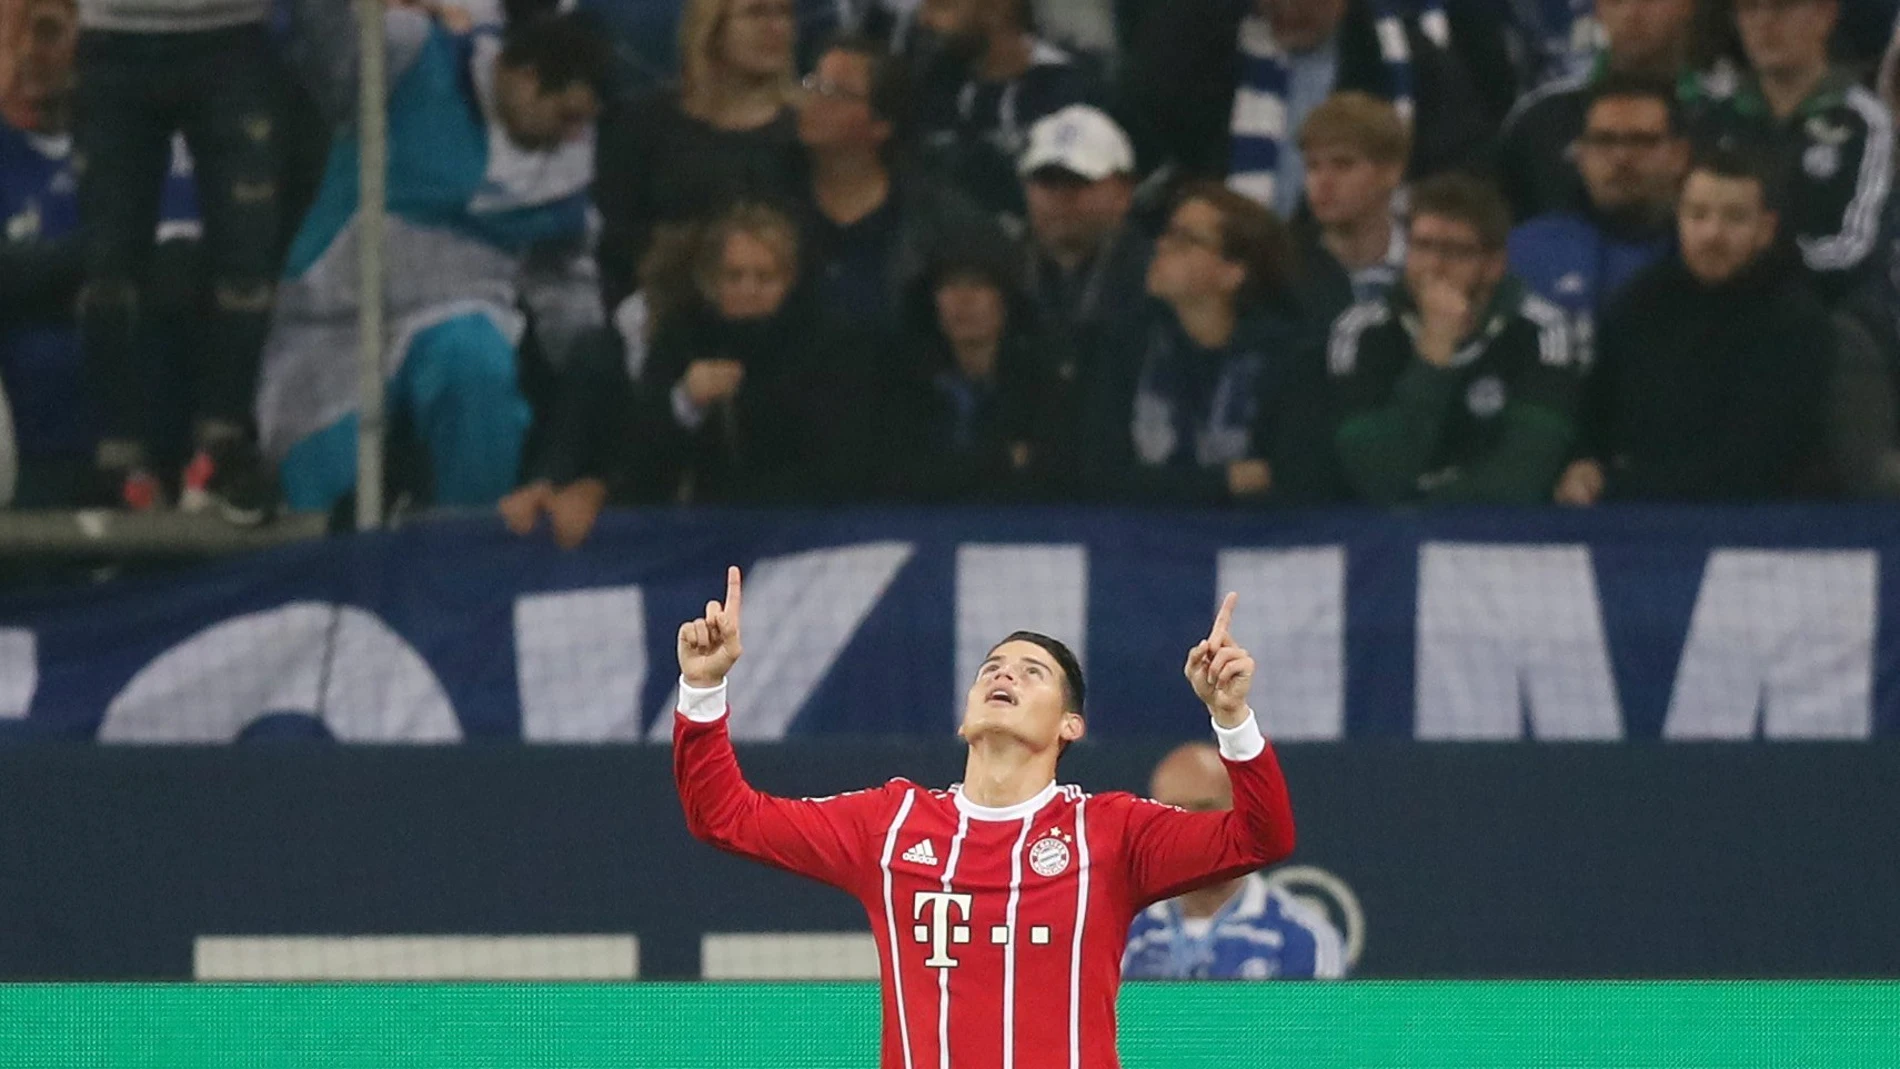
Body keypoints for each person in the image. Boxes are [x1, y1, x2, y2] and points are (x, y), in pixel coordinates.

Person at [675, 568, 1296, 1069]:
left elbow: (1262, 836)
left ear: (1069, 726)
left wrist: (1232, 718)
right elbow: (725, 816)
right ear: (965, 716)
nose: (1005, 674)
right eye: (992, 669)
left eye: (1033, 673)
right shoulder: (891, 825)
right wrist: (703, 690)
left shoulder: (1111, 831)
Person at [260, 4, 612, 516]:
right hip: (337, 324)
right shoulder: (411, 55)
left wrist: (591, 370)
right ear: (525, 78)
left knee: (476, 363)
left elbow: (566, 286)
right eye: (566, 116)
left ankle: (467, 552)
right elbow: (324, 25)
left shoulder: (566, 161)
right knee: (318, 494)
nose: (571, 137)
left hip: (460, 320)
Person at [507, 202, 837, 542]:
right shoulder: (681, 340)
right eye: (734, 276)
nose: (749, 290)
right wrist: (684, 404)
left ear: (790, 280)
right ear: (711, 281)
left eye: (765, 277)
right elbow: (639, 465)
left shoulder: (815, 347)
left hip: (791, 535)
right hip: (695, 542)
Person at [74, 0, 285, 518]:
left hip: (230, 34)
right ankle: (121, 462)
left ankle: (221, 452)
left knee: (246, 266)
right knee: (107, 268)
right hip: (114, 36)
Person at [0, 0, 201, 508]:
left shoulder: (152, 143)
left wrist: (45, 274)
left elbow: (178, 269)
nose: (24, 53)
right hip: (27, 454)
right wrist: (111, 254)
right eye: (4, 34)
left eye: (45, 32)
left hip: (147, 447)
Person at [1556, 149, 1833, 504]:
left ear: (1766, 230)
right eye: (1698, 215)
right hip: (1628, 520)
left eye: (1734, 218)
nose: (1713, 234)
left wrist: (1617, 488)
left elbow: (1755, 463)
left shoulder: (1796, 323)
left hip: (1751, 529)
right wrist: (1583, 465)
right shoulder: (1639, 303)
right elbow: (1593, 412)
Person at [1080, 182, 1343, 506]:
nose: (1162, 245)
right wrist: (1230, 479)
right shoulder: (1124, 346)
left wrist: (1164, 485)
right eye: (1166, 234)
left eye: (1184, 239)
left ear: (1232, 272)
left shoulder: (1290, 358)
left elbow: (1296, 482)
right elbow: (1100, 478)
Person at [1330, 173, 1578, 506]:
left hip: (1499, 536)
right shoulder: (1362, 331)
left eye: (1454, 251)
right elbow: (1378, 476)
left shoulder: (1542, 330)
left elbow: (1524, 473)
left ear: (1494, 265)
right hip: (1387, 538)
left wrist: (1424, 500)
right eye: (1422, 246)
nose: (1433, 265)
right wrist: (1433, 355)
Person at [1121, 0, 1483, 222]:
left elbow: (1455, 168)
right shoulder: (1216, 45)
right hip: (1237, 253)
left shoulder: (1408, 62)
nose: (1287, 8)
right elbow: (1154, 91)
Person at [594, 0, 805, 317]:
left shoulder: (806, 131)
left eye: (784, 14)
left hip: (785, 317)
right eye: (757, 12)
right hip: (665, 310)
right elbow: (618, 237)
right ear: (711, 30)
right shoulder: (644, 125)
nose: (776, 28)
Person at [796, 36, 1005, 352]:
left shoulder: (942, 222)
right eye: (812, 84)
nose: (813, 100)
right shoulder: (774, 203)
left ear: (881, 125)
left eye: (834, 92)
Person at [1688, 0, 1892, 304]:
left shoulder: (1865, 119)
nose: (1765, 23)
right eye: (1750, 9)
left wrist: (1761, 265)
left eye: (1782, 7)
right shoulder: (1715, 113)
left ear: (1826, 14)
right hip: (1714, 301)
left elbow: (1857, 246)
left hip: (1826, 308)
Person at [1122, 742, 1345, 980]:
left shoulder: (1305, 939)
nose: (1188, 827)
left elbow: (1322, 1018)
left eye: (1205, 808)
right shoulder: (1121, 933)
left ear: (1239, 812)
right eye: (1172, 811)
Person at [1507, 74, 1686, 362]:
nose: (1621, 157)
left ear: (1679, 155)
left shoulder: (1707, 257)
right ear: (1580, 154)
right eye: (1604, 140)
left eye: (1640, 141)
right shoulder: (1523, 252)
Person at [881, 244, 1060, 501]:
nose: (963, 300)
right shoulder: (905, 381)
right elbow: (897, 474)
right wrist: (1003, 459)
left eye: (978, 285)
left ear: (1006, 301)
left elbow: (1047, 474)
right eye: (950, 286)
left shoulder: (1039, 383)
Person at [1491, 0, 1699, 221]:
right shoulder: (1541, 120)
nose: (1632, 12)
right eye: (1616, 1)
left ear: (1688, 5)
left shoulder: (1721, 115)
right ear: (1597, 7)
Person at [909, 0, 1101, 220]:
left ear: (997, 8)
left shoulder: (1066, 88)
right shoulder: (934, 86)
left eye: (943, 6)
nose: (923, 19)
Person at [1018, 104, 1149, 391]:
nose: (1061, 197)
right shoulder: (1002, 273)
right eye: (1047, 181)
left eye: (1079, 182)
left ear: (1124, 192)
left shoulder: (1154, 286)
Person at [1297, 91, 1409, 302]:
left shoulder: (1426, 261)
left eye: (1343, 164)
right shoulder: (1286, 269)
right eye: (1312, 166)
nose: (1323, 182)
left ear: (1391, 171)